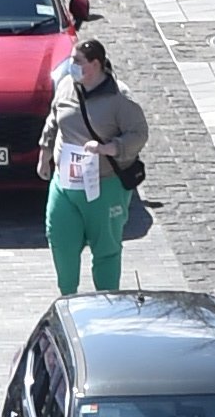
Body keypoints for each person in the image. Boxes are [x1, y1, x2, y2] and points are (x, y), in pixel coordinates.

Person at [38, 34, 147, 295]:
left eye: (78, 61)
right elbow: (54, 118)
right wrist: (44, 152)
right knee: (60, 240)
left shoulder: (119, 98)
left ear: (96, 64)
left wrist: (111, 148)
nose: (72, 65)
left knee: (106, 249)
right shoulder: (66, 85)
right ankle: (67, 297)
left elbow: (139, 133)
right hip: (66, 183)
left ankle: (106, 299)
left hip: (104, 185)